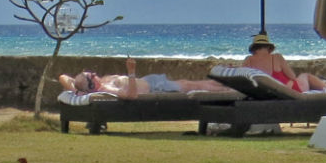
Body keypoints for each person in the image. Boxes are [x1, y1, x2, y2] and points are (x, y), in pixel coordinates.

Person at [59, 58, 234, 99]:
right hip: (154, 88)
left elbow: (63, 77)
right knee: (190, 85)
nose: (95, 74)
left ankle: (228, 85)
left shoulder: (98, 85)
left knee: (190, 83)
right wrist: (132, 71)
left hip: (151, 81)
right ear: (92, 84)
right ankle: (228, 90)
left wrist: (75, 88)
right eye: (92, 76)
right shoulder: (106, 89)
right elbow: (131, 95)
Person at [243, 32, 326, 93]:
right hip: (290, 90)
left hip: (263, 92)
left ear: (254, 48)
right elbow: (292, 76)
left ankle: (325, 85)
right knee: (305, 75)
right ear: (269, 47)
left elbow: (244, 79)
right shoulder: (276, 57)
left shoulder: (248, 60)